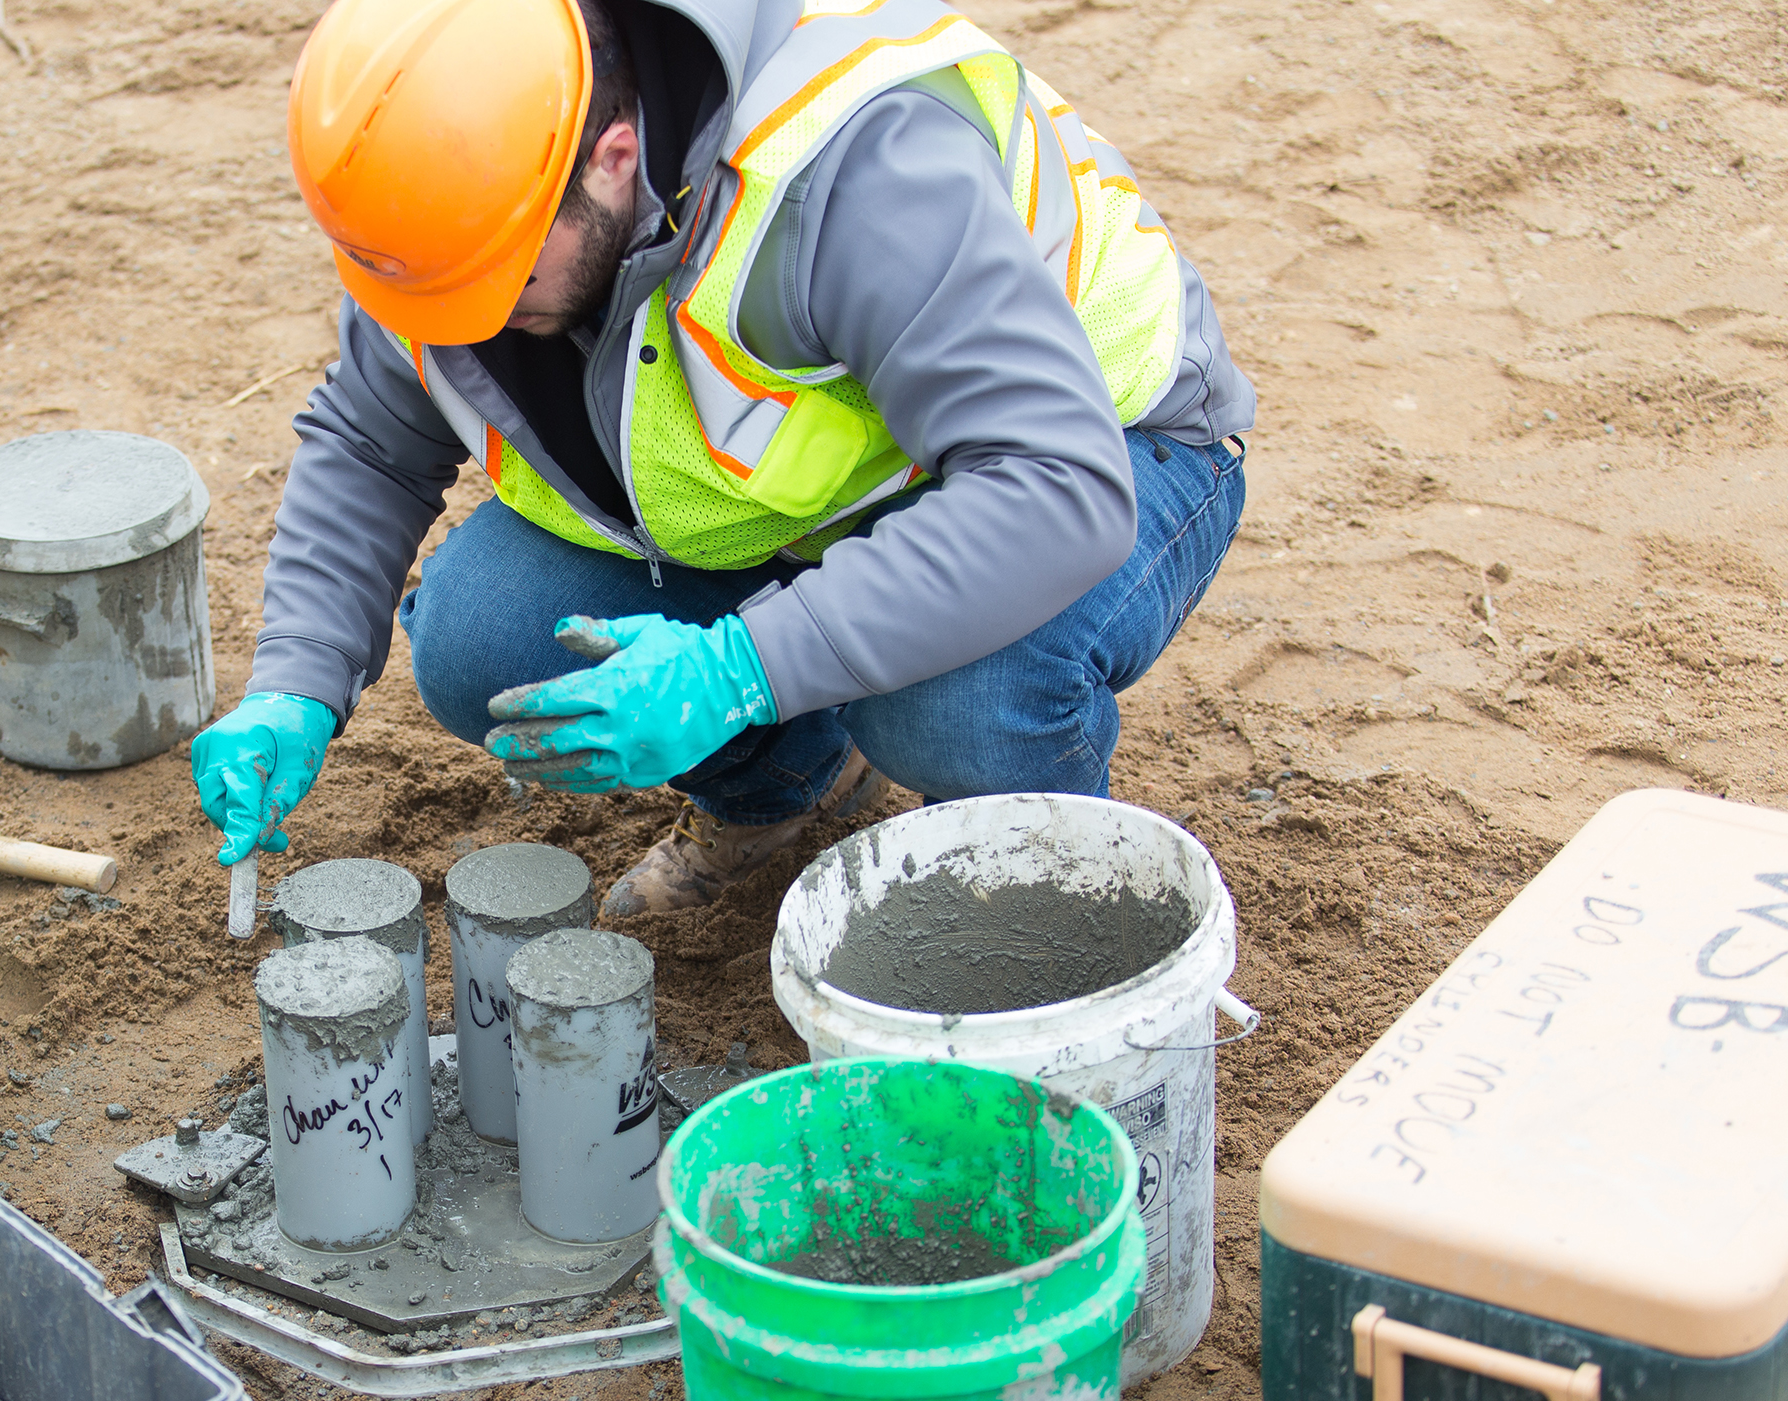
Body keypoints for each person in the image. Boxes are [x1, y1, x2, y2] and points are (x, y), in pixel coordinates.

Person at [191, 0, 1252, 914]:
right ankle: (791, 788)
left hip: (1102, 450)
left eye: (496, 287)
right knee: (487, 642)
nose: (469, 326)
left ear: (610, 161)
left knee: (948, 701)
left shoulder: (856, 168)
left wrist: (740, 669)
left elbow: (1053, 492)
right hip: (830, 496)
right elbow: (374, 440)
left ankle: (1041, 910)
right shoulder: (461, 202)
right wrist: (294, 680)